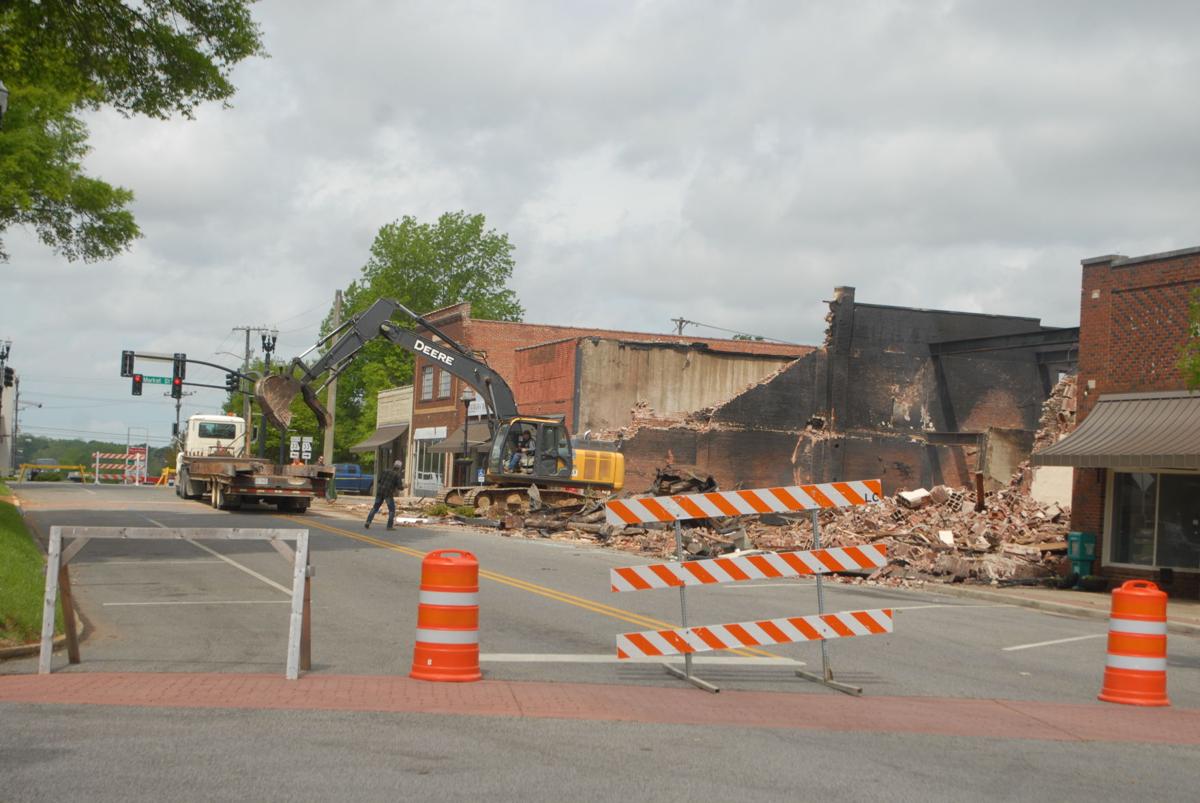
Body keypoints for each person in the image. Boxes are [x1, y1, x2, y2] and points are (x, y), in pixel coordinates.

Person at [365, 459, 404, 530]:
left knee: (375, 507)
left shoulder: (385, 471)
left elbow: (379, 481)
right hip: (388, 494)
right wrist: (405, 486)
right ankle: (389, 526)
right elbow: (400, 487)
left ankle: (368, 522)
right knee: (392, 510)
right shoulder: (397, 475)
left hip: (380, 492)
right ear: (399, 468)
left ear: (393, 465)